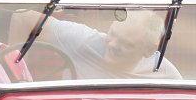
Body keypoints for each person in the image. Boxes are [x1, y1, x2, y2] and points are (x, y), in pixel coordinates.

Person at [13, 8, 181, 80]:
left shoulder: (164, 72)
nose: (113, 45)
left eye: (127, 44)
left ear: (149, 50)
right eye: (112, 34)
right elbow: (22, 16)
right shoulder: (85, 40)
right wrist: (15, 76)